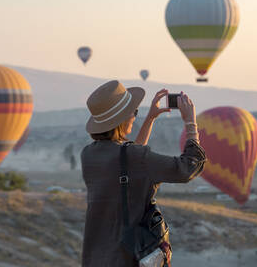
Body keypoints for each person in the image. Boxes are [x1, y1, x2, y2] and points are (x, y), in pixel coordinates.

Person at [80, 80, 207, 266]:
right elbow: (187, 167)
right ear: (122, 120)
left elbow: (127, 162)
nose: (134, 117)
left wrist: (150, 119)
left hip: (95, 258)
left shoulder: (89, 155)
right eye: (134, 113)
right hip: (128, 259)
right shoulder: (135, 157)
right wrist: (191, 124)